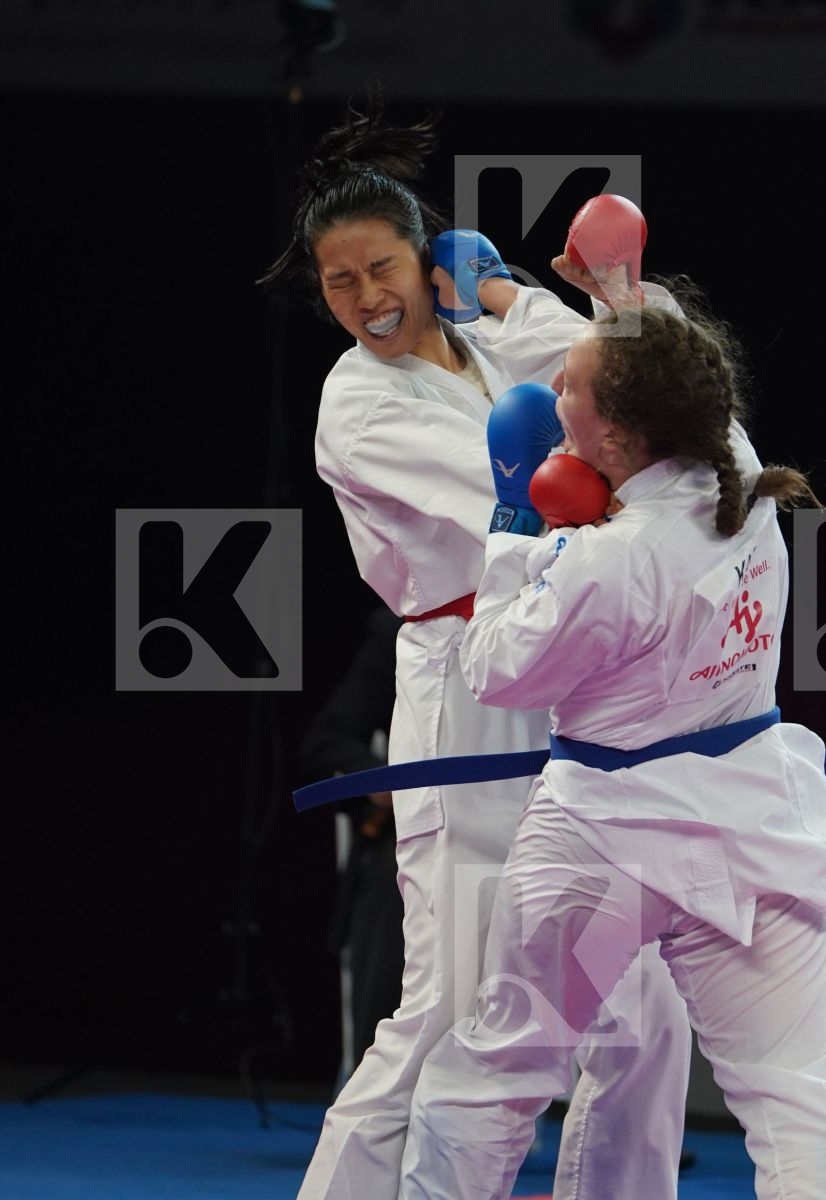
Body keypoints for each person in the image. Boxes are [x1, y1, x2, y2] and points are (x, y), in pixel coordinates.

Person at [256, 91, 691, 1200]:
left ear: (427, 260)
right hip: (466, 691)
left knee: (639, 1004)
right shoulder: (358, 404)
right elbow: (563, 495)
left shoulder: (492, 347)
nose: (366, 299)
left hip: (566, 680)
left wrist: (505, 292)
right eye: (339, 282)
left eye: (382, 269)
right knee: (451, 1005)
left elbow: (616, 373)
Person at [397, 299, 826, 1200]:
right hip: (749, 832)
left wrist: (513, 528)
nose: (554, 387)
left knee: (498, 1072)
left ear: (616, 436)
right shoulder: (736, 463)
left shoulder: (609, 562)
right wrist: (569, 294)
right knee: (801, 1100)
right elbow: (666, 354)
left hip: (600, 849)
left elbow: (495, 669)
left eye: (572, 386)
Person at [301, 604, 406, 1082]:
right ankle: (375, 1084)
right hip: (417, 828)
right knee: (393, 877)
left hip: (534, 818)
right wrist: (385, 783)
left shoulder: (550, 614)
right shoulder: (399, 630)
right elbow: (327, 742)